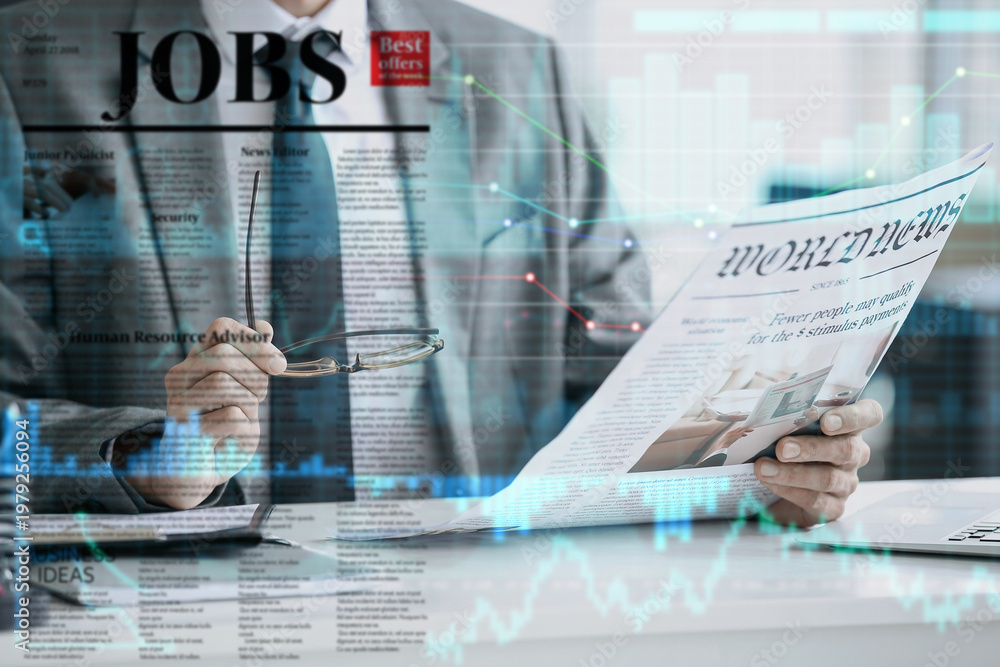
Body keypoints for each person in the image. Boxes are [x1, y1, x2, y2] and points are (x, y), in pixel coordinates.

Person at [0, 0, 880, 525]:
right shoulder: (30, 65)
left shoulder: (519, 71)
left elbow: (617, 381)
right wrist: (148, 461)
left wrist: (757, 469)